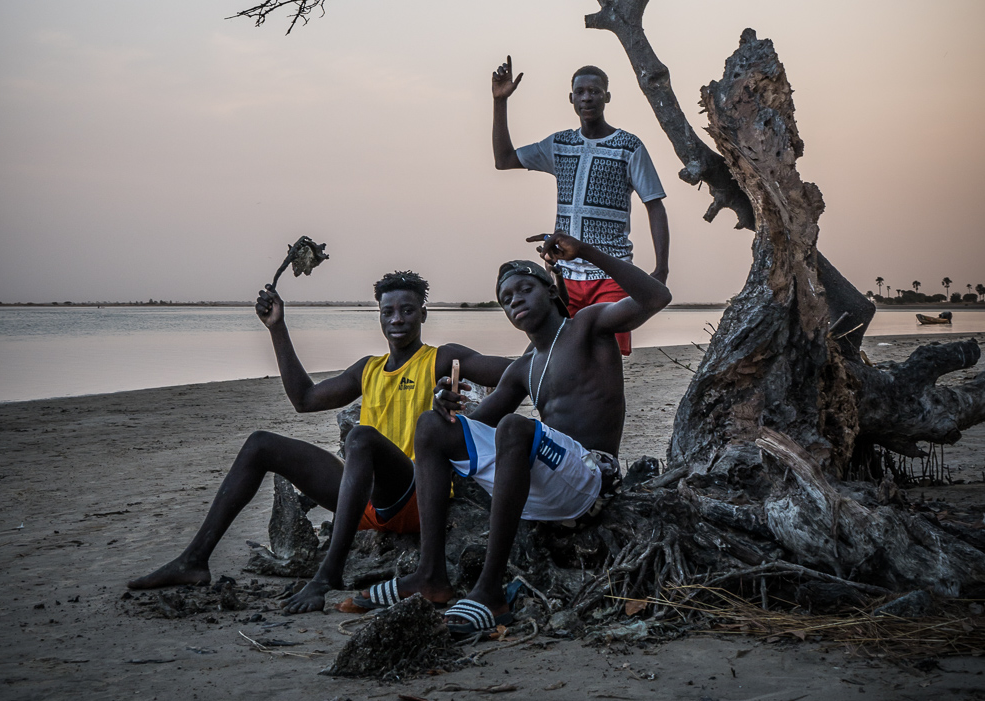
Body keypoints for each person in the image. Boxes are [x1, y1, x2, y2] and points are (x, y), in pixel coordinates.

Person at [127, 270, 510, 613]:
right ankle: (194, 560)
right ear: (378, 314)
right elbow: (304, 400)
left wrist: (555, 323)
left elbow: (518, 372)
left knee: (360, 437)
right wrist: (277, 327)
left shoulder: (442, 359)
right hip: (368, 503)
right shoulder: (368, 369)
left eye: (407, 310)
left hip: (414, 496)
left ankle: (327, 575)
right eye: (388, 311)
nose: (397, 319)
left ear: (423, 315)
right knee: (261, 443)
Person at [357, 230, 671, 637]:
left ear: (551, 291)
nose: (515, 300)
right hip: (546, 488)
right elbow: (466, 429)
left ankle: (490, 592)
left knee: (515, 426)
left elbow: (656, 298)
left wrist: (588, 252)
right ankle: (430, 576)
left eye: (524, 289)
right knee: (432, 426)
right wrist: (444, 407)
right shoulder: (524, 367)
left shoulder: (588, 325)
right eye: (506, 299)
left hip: (594, 479)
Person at [491, 56, 669, 353]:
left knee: (605, 356)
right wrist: (500, 102)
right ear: (571, 98)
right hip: (565, 275)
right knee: (561, 355)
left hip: (611, 273)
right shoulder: (558, 144)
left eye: (595, 91)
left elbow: (655, 206)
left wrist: (661, 269)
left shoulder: (629, 146)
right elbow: (504, 160)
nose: (587, 97)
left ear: (606, 97)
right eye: (581, 92)